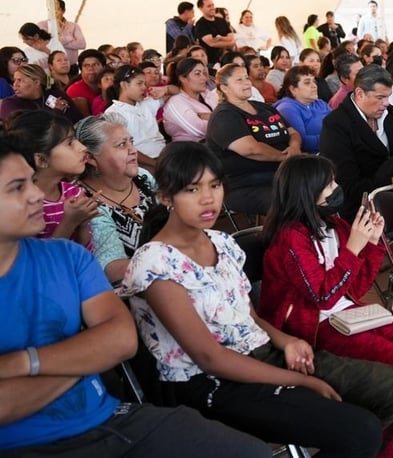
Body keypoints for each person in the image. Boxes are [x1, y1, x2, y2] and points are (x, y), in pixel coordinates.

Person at [120, 142, 393, 457]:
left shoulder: (221, 242)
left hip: (261, 351)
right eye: (192, 189)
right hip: (210, 382)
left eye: (214, 185)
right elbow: (209, 357)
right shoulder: (155, 262)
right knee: (360, 430)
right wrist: (301, 382)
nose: (208, 198)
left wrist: (285, 341)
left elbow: (248, 315)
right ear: (166, 198)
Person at [0, 134, 271, 457]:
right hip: (19, 444)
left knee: (249, 453)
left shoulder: (67, 257)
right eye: (17, 188)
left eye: (31, 182)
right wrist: (87, 357)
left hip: (110, 418)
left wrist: (22, 362)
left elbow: (121, 340)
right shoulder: (147, 259)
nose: (35, 195)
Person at [260, 155, 393, 457]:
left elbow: (355, 288)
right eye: (329, 185)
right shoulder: (290, 239)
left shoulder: (332, 224)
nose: (337, 189)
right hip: (315, 326)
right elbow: (323, 297)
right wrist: (354, 246)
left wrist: (373, 243)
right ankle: (390, 450)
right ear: (307, 192)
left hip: (351, 313)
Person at [319, 65, 393, 222]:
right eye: (380, 98)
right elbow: (346, 187)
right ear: (360, 93)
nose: (386, 103)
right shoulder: (336, 125)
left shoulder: (390, 114)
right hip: (362, 206)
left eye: (388, 97)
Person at [205, 64, 301, 215]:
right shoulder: (224, 116)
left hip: (285, 173)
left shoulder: (264, 107)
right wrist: (286, 157)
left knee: (326, 187)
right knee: (297, 199)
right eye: (239, 80)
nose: (247, 82)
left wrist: (295, 148)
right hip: (247, 183)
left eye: (246, 78)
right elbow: (251, 149)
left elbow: (293, 132)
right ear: (224, 88)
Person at [74, 113, 157, 283]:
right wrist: (171, 262)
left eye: (131, 142)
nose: (133, 150)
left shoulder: (143, 177)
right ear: (90, 158)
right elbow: (112, 267)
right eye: (121, 145)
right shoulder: (88, 203)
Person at [6, 110, 97, 249]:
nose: (82, 147)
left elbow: (84, 253)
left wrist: (83, 222)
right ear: (42, 159)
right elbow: (39, 264)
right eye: (70, 143)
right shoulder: (27, 207)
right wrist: (69, 222)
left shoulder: (74, 194)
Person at [103, 66, 166, 170]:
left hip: (164, 156)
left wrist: (164, 89)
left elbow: (175, 91)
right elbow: (125, 148)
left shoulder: (146, 103)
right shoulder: (113, 113)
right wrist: (155, 164)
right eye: (139, 83)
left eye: (145, 83)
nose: (144, 87)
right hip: (142, 164)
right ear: (124, 85)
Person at [273, 66, 331, 153]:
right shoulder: (287, 108)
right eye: (307, 83)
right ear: (293, 89)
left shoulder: (320, 103)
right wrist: (334, 137)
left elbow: (339, 124)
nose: (314, 86)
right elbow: (303, 142)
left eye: (314, 81)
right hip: (311, 158)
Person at [0, 63, 82, 123]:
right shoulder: (9, 104)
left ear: (36, 83)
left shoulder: (57, 95)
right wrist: (57, 112)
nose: (15, 85)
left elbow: (77, 121)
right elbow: (26, 129)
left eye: (20, 80)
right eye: (14, 80)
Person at [162, 58, 215, 143]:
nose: (204, 78)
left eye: (204, 73)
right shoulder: (176, 102)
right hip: (189, 151)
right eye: (197, 74)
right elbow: (199, 131)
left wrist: (208, 116)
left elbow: (225, 115)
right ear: (183, 78)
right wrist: (219, 118)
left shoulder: (207, 94)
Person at [38, 0, 86, 64]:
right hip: (51, 66)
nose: (54, 12)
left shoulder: (74, 26)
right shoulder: (42, 25)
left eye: (57, 9)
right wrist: (70, 38)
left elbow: (82, 44)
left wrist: (60, 39)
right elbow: (47, 43)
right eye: (51, 9)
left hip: (72, 66)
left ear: (63, 11)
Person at [192, 0, 235, 69]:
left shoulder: (221, 21)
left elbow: (231, 38)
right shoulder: (200, 24)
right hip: (211, 63)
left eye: (212, 5)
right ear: (201, 8)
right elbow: (211, 43)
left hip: (227, 60)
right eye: (209, 6)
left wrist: (220, 38)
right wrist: (228, 42)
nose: (212, 8)